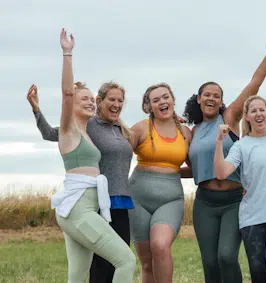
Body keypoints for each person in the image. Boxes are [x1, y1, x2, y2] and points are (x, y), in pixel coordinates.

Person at [181, 29, 266, 283]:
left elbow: (254, 83)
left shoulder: (230, 117)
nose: (212, 98)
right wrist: (159, 173)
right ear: (199, 99)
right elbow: (193, 168)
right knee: (210, 263)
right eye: (207, 95)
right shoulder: (192, 132)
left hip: (233, 199)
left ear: (222, 101)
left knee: (226, 257)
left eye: (217, 95)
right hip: (205, 202)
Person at [27, 81, 135, 283]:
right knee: (105, 264)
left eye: (120, 100)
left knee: (111, 261)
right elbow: (52, 133)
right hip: (95, 202)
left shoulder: (123, 130)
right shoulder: (87, 124)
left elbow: (146, 140)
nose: (116, 104)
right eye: (111, 99)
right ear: (100, 102)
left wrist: (171, 121)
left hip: (120, 201)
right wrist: (36, 110)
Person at [51, 28, 135, 283]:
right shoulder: (68, 129)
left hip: (88, 206)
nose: (89, 102)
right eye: (83, 99)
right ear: (72, 103)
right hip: (79, 209)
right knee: (126, 260)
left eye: (91, 99)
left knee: (77, 275)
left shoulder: (88, 133)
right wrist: (67, 53)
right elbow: (67, 93)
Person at [214, 96, 266, 283]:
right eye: (254, 111)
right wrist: (219, 141)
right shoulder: (241, 146)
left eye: (262, 110)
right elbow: (221, 172)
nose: (258, 114)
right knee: (257, 269)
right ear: (247, 117)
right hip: (253, 216)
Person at [129, 83, 192, 283]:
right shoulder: (140, 128)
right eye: (156, 100)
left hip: (170, 199)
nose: (162, 102)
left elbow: (195, 169)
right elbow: (118, 155)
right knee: (147, 262)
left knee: (160, 245)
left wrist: (168, 174)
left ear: (173, 100)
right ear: (149, 107)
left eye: (166, 97)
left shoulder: (185, 133)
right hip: (137, 199)